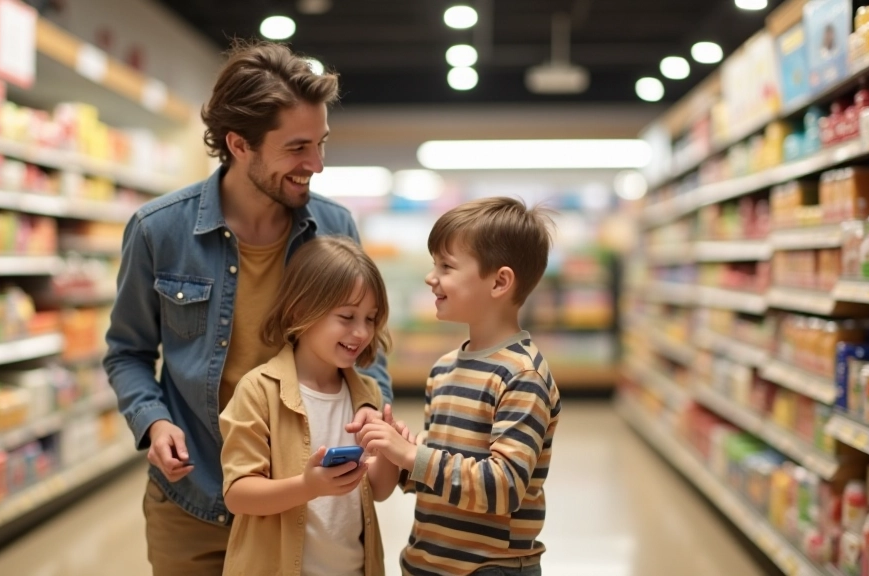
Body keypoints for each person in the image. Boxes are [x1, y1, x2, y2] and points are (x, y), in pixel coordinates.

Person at [103, 40, 392, 575]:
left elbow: (366, 349)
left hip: (301, 498)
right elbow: (127, 351)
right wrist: (154, 422)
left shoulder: (334, 229)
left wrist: (372, 412)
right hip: (194, 495)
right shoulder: (158, 230)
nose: (318, 164)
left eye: (322, 143)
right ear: (239, 144)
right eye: (298, 148)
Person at [360, 197, 562, 576]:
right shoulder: (443, 370)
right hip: (431, 562)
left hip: (489, 568)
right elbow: (443, 475)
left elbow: (502, 487)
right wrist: (394, 451)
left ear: (499, 281)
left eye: (446, 266)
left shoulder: (522, 376)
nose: (430, 277)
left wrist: (412, 456)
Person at [219, 236, 399, 576]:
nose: (361, 332)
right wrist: (308, 487)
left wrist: (390, 451)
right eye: (347, 316)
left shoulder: (368, 394)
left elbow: (378, 491)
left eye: (371, 318)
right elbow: (238, 494)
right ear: (301, 310)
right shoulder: (259, 391)